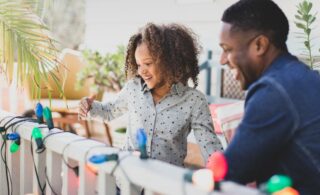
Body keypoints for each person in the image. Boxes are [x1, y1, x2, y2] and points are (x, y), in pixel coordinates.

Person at [79, 23, 222, 167]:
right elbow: (109, 111)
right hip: (128, 180)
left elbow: (209, 145)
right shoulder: (133, 88)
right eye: (138, 64)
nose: (141, 71)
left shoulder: (194, 101)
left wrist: (222, 173)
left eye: (147, 63)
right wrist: (89, 107)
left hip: (164, 184)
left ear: (170, 62)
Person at [217, 0, 320, 193]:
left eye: (228, 49)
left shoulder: (274, 90)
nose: (222, 60)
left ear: (259, 45)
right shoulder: (302, 76)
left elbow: (231, 170)